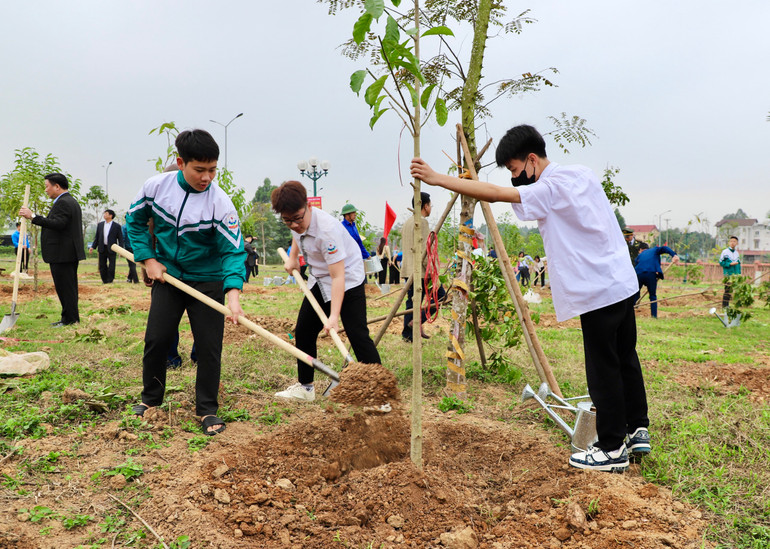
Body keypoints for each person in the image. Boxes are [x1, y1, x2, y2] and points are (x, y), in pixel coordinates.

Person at [410, 124, 649, 472]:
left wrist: (437, 178)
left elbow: (491, 193)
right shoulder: (580, 174)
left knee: (603, 367)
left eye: (515, 170)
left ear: (532, 160)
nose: (514, 177)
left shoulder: (548, 188)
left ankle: (612, 449)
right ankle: (636, 428)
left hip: (595, 289)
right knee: (626, 356)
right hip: (620, 282)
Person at [126, 129, 246, 436]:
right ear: (181, 163)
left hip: (207, 281)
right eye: (199, 169)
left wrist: (232, 295)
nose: (206, 177)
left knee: (209, 347)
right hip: (170, 278)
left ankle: (207, 409)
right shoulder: (156, 187)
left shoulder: (220, 203)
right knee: (157, 339)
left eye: (212, 170)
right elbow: (135, 223)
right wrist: (149, 259)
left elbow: (233, 251)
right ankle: (150, 400)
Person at [271, 181, 381, 402]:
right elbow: (296, 236)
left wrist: (332, 317)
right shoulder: (297, 222)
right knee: (303, 331)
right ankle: (306, 388)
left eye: (297, 218)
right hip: (319, 279)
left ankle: (380, 391)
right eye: (286, 220)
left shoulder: (327, 231)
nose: (293, 224)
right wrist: (293, 259)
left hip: (348, 279)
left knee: (357, 334)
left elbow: (338, 276)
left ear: (308, 206)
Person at [18, 173, 85, 326]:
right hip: (65, 253)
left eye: (47, 186)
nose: (46, 190)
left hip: (63, 254)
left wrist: (33, 216)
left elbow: (57, 224)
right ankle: (68, 318)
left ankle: (70, 320)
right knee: (67, 287)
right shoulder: (68, 201)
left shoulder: (64, 202)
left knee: (66, 288)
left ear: (57, 186)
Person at [401, 191, 446, 342]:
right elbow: (426, 250)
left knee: (411, 301)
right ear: (425, 205)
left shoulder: (407, 222)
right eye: (430, 205)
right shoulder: (422, 222)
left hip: (408, 269)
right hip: (421, 270)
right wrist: (432, 271)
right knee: (440, 297)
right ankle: (417, 320)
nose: (430, 208)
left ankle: (407, 335)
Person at [634, 242, 679, 318]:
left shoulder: (638, 256)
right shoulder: (654, 250)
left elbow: (638, 265)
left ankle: (634, 311)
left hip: (638, 274)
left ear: (640, 250)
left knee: (636, 292)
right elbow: (665, 248)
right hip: (651, 274)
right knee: (652, 296)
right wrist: (674, 255)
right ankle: (654, 316)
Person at [89, 209, 124, 284]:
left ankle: (110, 280)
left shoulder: (117, 226)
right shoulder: (100, 225)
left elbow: (120, 239)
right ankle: (104, 280)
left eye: (106, 213)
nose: (104, 215)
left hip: (112, 248)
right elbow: (97, 237)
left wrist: (121, 250)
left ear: (111, 216)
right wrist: (93, 247)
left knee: (112, 265)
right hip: (102, 247)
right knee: (102, 265)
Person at [719, 235, 741, 309]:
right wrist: (729, 264)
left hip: (736, 275)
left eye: (734, 241)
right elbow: (721, 262)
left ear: (737, 243)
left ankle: (732, 305)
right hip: (728, 274)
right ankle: (725, 305)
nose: (732, 243)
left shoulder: (737, 253)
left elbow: (738, 264)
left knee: (734, 290)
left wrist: (739, 274)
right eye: (731, 241)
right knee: (727, 289)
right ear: (729, 242)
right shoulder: (725, 252)